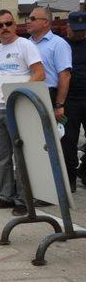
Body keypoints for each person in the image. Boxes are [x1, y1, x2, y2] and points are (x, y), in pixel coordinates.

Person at [0, 9, 45, 216]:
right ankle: (6, 196)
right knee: (1, 157)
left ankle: (22, 199)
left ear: (15, 24)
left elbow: (39, 74)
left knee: (21, 157)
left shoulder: (26, 46)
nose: (4, 28)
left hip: (18, 108)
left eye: (8, 23)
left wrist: (16, 89)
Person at [27, 7, 72, 121]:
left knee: (48, 136)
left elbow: (65, 76)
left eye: (32, 19)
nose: (28, 21)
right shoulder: (26, 44)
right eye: (28, 18)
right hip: (27, 95)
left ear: (46, 22)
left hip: (48, 96)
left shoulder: (59, 44)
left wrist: (59, 105)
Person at [61, 11, 86, 192]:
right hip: (69, 101)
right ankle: (69, 179)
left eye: (82, 31)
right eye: (75, 30)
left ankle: (84, 170)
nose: (78, 33)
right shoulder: (61, 45)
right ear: (68, 27)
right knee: (68, 141)